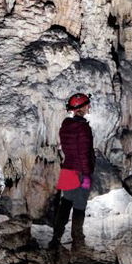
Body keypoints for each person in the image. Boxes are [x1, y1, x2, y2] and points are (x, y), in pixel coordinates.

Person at [47, 92, 95, 251]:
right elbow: (84, 154)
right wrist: (87, 175)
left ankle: (56, 238)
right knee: (79, 206)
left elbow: (68, 150)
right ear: (81, 108)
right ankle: (77, 240)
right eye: (87, 104)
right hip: (80, 172)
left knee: (65, 205)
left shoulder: (65, 125)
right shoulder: (83, 128)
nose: (89, 107)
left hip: (67, 170)